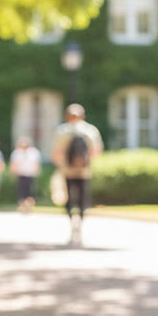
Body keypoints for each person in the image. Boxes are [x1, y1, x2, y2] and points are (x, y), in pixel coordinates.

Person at [51, 103, 103, 246]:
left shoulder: (62, 131)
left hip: (67, 171)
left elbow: (56, 153)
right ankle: (79, 221)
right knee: (82, 199)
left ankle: (71, 222)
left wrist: (61, 166)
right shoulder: (90, 131)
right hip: (84, 171)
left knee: (69, 199)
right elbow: (97, 151)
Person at [9, 136, 41, 213]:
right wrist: (13, 173)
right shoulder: (17, 153)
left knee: (30, 191)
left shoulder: (33, 152)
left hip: (30, 175)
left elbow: (36, 164)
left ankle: (29, 206)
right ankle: (23, 206)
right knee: (21, 192)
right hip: (21, 174)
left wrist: (37, 172)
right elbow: (14, 164)